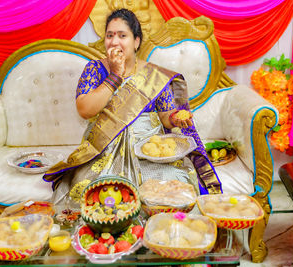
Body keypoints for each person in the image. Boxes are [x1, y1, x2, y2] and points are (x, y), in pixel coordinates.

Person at [43, 9, 222, 204]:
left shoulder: (153, 75)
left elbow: (165, 116)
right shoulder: (95, 69)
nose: (114, 41)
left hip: (146, 150)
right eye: (109, 35)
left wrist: (175, 118)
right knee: (87, 187)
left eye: (122, 35)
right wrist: (114, 77)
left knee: (176, 184)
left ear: (136, 41)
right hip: (104, 149)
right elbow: (85, 110)